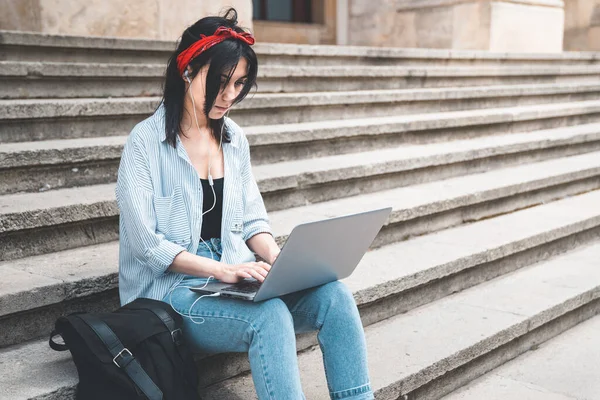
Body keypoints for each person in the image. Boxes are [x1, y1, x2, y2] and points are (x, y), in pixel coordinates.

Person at [115, 7, 374, 400]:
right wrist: (223, 270)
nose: (230, 95)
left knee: (334, 297)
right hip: (173, 292)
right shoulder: (145, 144)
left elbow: (253, 219)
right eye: (220, 81)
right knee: (269, 317)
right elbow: (147, 246)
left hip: (232, 275)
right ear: (187, 71)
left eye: (239, 84)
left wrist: (280, 262)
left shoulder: (234, 139)